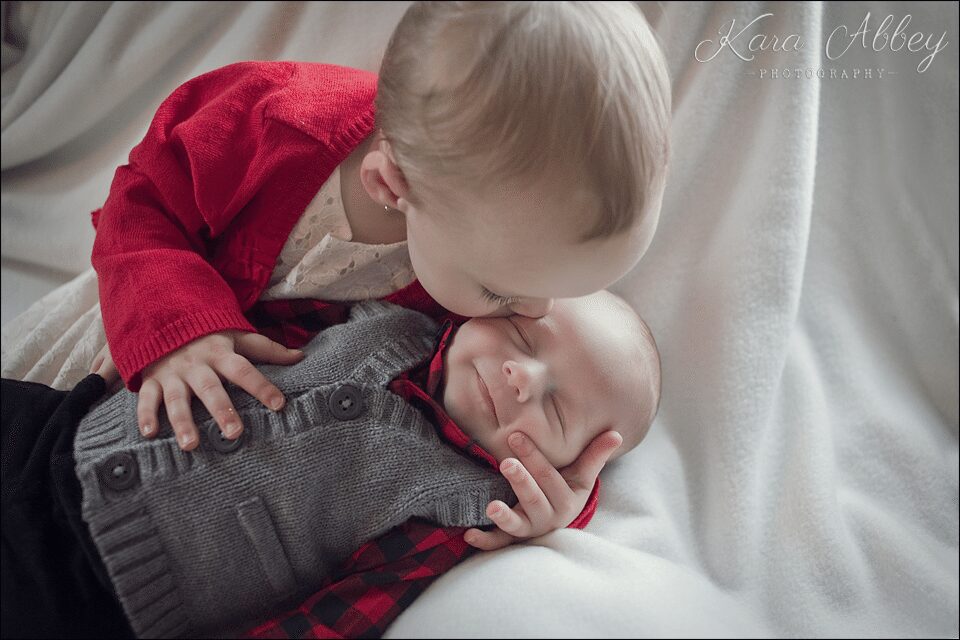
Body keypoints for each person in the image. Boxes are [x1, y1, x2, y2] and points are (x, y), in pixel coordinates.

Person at [4, 1, 671, 551]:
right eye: (502, 290)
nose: (532, 312)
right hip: (136, 324)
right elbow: (143, 199)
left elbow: (466, 431)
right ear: (392, 185)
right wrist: (178, 332)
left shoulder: (479, 258)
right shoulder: (277, 119)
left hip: (221, 470)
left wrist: (557, 505)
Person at [1, 291, 661, 639]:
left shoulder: (460, 510)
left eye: (555, 411)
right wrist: (164, 334)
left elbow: (338, 618)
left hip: (91, 595)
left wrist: (567, 512)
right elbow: (247, 312)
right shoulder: (399, 318)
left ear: (570, 466)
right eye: (521, 336)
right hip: (61, 430)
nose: (521, 377)